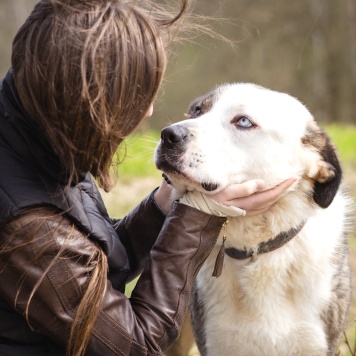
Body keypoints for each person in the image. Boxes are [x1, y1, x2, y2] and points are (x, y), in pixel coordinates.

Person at [0, 1, 296, 355]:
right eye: (134, 96)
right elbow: (135, 344)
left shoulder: (33, 126)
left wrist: (164, 204)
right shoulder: (27, 228)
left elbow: (86, 266)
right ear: (84, 101)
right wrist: (198, 214)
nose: (150, 110)